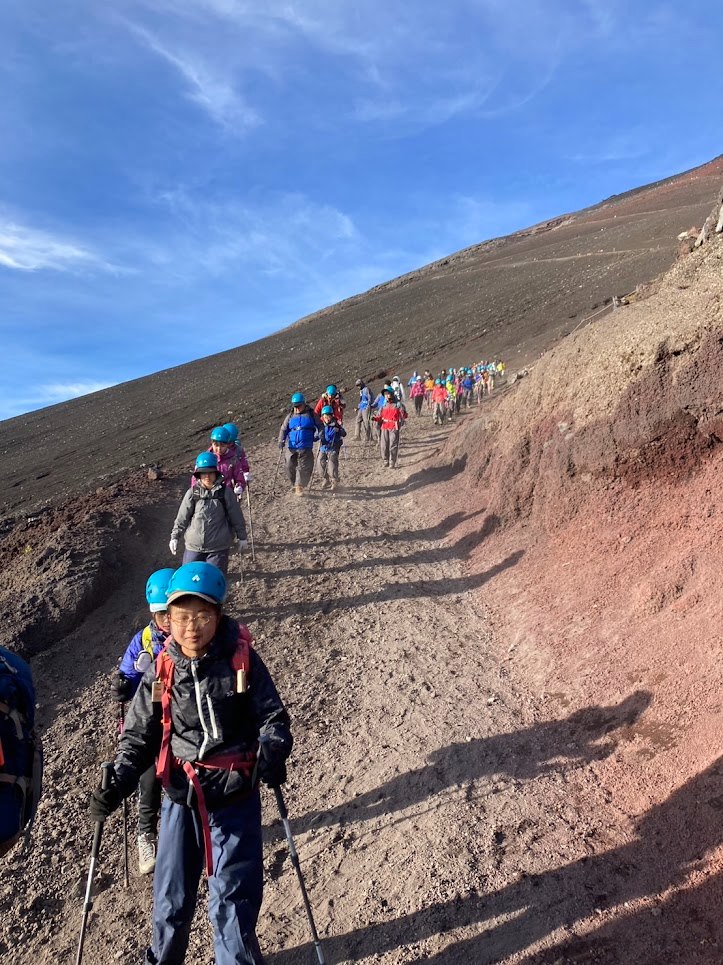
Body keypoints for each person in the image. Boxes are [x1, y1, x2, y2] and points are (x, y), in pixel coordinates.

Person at [89, 562, 293, 965]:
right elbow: (139, 735)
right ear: (168, 618)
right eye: (182, 616)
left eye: (202, 616)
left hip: (234, 795)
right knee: (170, 899)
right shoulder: (162, 669)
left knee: (232, 904)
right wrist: (120, 780)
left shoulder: (242, 660)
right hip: (180, 796)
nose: (191, 627)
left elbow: (273, 717)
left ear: (218, 614)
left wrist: (273, 747)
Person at [111, 568, 174, 874]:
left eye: (170, 612)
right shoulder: (144, 641)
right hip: (150, 724)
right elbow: (128, 674)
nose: (167, 620)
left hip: (182, 720)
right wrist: (122, 685)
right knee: (149, 782)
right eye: (162, 614)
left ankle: (183, 834)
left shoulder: (192, 639)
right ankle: (146, 835)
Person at [170, 452, 248, 575]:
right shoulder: (192, 493)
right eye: (203, 473)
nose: (207, 476)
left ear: (216, 473)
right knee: (188, 577)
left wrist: (242, 537)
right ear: (199, 475)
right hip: (193, 546)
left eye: (210, 472)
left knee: (213, 579)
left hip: (218, 547)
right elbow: (182, 517)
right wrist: (174, 537)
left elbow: (236, 516)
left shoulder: (226, 493)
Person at [278, 392, 322, 496]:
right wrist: (281, 440)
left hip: (305, 445)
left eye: (298, 406)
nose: (297, 408)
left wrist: (319, 435)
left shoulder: (311, 414)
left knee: (303, 466)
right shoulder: (290, 416)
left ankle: (299, 486)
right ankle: (294, 484)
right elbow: (283, 429)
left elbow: (320, 426)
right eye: (295, 406)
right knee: (289, 466)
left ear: (304, 404)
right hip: (292, 446)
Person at [374, 386, 408, 468]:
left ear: (392, 394)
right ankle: (385, 460)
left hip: (393, 426)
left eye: (388, 394)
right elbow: (379, 417)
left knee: (393, 444)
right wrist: (374, 418)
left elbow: (405, 416)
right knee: (384, 445)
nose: (386, 396)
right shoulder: (384, 405)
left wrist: (402, 411)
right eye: (385, 394)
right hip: (384, 426)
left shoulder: (397, 405)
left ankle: (392, 461)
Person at [318, 405, 347, 490]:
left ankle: (334, 480)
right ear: (322, 417)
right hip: (324, 447)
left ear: (331, 416)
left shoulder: (336, 424)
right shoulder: (321, 425)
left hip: (333, 447)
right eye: (325, 416)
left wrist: (339, 430)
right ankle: (325, 479)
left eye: (328, 416)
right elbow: (316, 435)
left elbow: (344, 433)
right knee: (320, 463)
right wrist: (318, 436)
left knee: (332, 463)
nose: (327, 418)